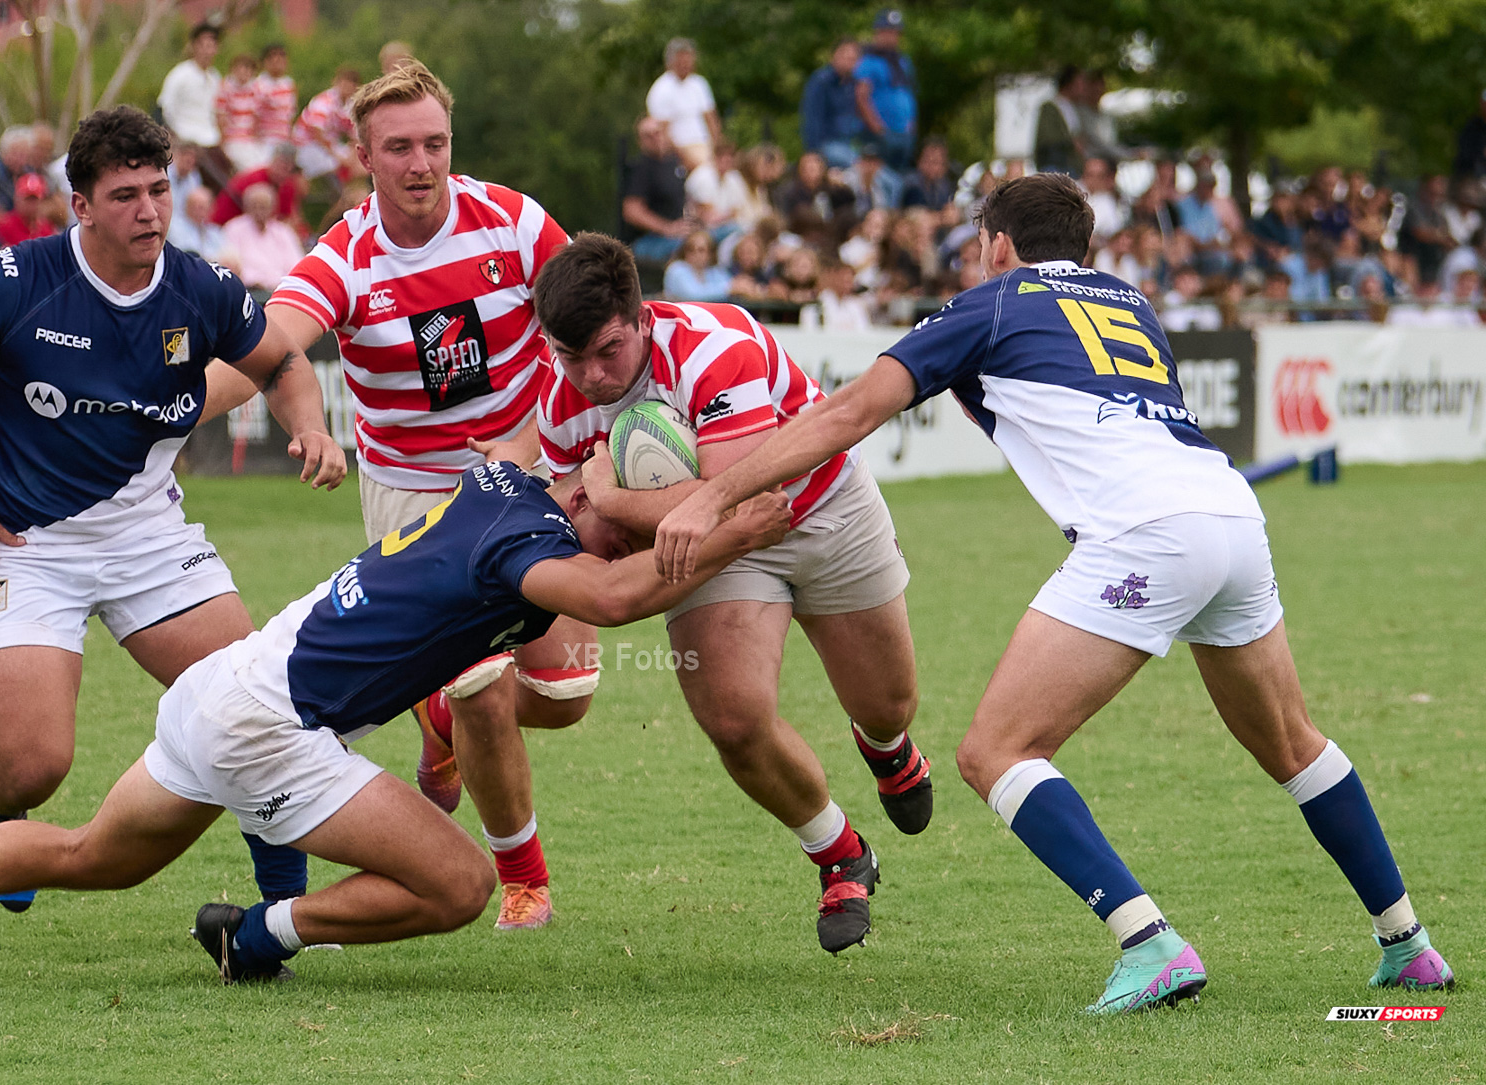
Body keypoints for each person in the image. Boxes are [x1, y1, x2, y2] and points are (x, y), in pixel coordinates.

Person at [654, 172, 1457, 1010]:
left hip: (1143, 536)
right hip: (1230, 513)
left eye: (979, 244)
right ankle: (1408, 942)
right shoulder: (1129, 301)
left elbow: (848, 413)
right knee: (1293, 742)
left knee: (994, 751)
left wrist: (713, 497)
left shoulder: (993, 303)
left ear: (999, 245)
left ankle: (1151, 943)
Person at [0, 461, 793, 981]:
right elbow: (615, 599)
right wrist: (734, 528)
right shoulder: (530, 544)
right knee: (459, 885)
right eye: (637, 525)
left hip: (227, 685)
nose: (642, 542)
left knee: (91, 853)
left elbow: (601, 562)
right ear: (589, 493)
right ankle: (260, 935)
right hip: (270, 725)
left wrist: (651, 503)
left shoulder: (503, 485)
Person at [0, 105, 345, 916]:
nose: (149, 211)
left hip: (148, 537)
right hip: (25, 544)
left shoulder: (200, 287)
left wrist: (309, 426)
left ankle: (279, 913)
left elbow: (281, 362)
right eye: (126, 195)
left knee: (258, 709)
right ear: (82, 206)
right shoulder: (13, 281)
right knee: (33, 765)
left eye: (159, 190)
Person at [268, 62, 599, 930]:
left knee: (565, 695)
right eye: (400, 148)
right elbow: (277, 339)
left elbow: (588, 313)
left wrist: (560, 436)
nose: (421, 164)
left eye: (435, 143)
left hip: (524, 474)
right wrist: (301, 421)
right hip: (413, 493)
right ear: (364, 156)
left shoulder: (514, 221)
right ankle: (523, 875)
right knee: (483, 682)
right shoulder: (345, 255)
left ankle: (441, 719)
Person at [532, 234, 923, 953]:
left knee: (887, 703)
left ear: (642, 317)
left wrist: (610, 497)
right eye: (569, 355)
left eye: (608, 350)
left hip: (823, 507)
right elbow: (591, 521)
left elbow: (738, 499)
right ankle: (840, 855)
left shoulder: (715, 346)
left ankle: (887, 746)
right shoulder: (561, 402)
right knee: (733, 719)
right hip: (715, 554)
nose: (590, 376)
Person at [159, 23, 226, 178]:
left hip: (210, 140)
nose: (207, 51)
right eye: (204, 45)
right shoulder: (180, 74)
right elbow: (164, 108)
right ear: (194, 46)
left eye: (212, 46)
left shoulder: (215, 77)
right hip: (185, 139)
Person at [854, 10, 917, 175]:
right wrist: (878, 128)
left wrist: (911, 123)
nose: (892, 37)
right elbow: (861, 96)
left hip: (904, 132)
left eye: (895, 33)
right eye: (887, 32)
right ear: (878, 33)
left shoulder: (902, 61)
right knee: (883, 178)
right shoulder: (868, 61)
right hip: (882, 133)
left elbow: (908, 92)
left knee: (901, 177)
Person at [622, 116, 692, 263]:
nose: (655, 138)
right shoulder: (641, 168)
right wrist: (667, 228)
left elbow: (696, 166)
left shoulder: (673, 163)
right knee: (692, 249)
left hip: (679, 234)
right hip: (650, 240)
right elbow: (631, 211)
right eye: (648, 136)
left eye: (657, 132)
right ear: (640, 141)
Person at [646, 38, 720, 171]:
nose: (686, 64)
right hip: (681, 149)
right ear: (671, 62)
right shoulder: (661, 89)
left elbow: (711, 120)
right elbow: (663, 133)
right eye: (681, 60)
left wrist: (718, 148)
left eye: (688, 59)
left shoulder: (699, 84)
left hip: (705, 146)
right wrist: (685, 158)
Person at [216, 183, 304, 288]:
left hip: (281, 287)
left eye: (263, 207)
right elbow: (231, 264)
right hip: (248, 288)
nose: (259, 211)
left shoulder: (283, 232)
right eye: (254, 206)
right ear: (246, 207)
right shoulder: (234, 228)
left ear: (272, 208)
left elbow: (295, 263)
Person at [210, 144, 306, 237]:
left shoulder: (288, 185)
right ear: (272, 162)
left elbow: (287, 217)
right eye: (279, 165)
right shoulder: (254, 181)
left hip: (258, 233)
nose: (281, 171)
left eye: (287, 168)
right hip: (226, 229)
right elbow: (256, 217)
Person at [800, 39, 867, 171]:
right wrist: (814, 152)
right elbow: (812, 118)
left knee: (881, 171)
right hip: (827, 145)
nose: (849, 61)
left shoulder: (854, 85)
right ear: (833, 56)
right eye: (845, 56)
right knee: (862, 169)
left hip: (851, 144)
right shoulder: (821, 81)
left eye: (853, 58)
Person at [290, 67, 361, 187]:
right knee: (337, 165)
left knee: (360, 164)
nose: (347, 87)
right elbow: (317, 133)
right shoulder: (324, 101)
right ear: (336, 82)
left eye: (351, 84)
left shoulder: (350, 105)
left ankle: (349, 193)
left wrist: (352, 156)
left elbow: (356, 135)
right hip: (307, 144)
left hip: (328, 144)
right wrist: (338, 157)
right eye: (344, 82)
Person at [1033, 66, 1087, 177]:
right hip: (1054, 164)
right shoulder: (1050, 107)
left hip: (1072, 165)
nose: (1083, 87)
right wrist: (1072, 142)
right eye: (1079, 83)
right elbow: (1048, 137)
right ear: (1069, 83)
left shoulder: (1075, 107)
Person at [216, 54, 265, 173]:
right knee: (248, 167)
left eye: (248, 69)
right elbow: (221, 117)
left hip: (249, 139)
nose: (244, 72)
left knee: (262, 164)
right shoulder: (226, 88)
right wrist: (222, 142)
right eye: (241, 68)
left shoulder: (255, 90)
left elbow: (256, 118)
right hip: (233, 139)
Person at [661, 230, 731, 302]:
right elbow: (693, 295)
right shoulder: (676, 268)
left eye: (701, 250)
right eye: (690, 249)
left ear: (710, 253)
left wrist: (731, 288)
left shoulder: (714, 270)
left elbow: (730, 285)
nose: (695, 254)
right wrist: (727, 289)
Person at [255, 44, 298, 158]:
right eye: (273, 58)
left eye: (281, 58)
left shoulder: (289, 84)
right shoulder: (259, 85)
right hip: (265, 140)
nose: (277, 62)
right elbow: (254, 116)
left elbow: (290, 115)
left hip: (284, 139)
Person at [0, 173, 59, 247]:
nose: (31, 204)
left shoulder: (47, 228)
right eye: (27, 199)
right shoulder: (4, 226)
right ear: (17, 199)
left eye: (34, 199)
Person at [168, 187, 226, 257]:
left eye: (205, 207)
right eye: (198, 207)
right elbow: (185, 253)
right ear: (187, 207)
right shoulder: (175, 228)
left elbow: (223, 252)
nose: (201, 212)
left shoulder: (214, 231)